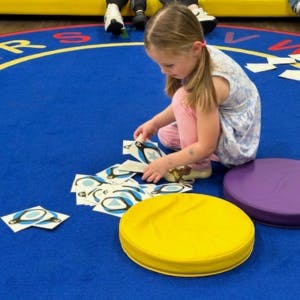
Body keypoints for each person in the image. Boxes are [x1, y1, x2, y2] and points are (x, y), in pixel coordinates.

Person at [133, 3, 261, 184]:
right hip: (222, 120)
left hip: (238, 146)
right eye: (159, 64)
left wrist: (166, 163)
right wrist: (154, 123)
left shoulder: (211, 85)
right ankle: (196, 152)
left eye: (169, 65)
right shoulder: (197, 56)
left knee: (182, 99)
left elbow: (206, 145)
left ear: (195, 48)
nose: (163, 71)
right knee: (165, 135)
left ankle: (200, 166)